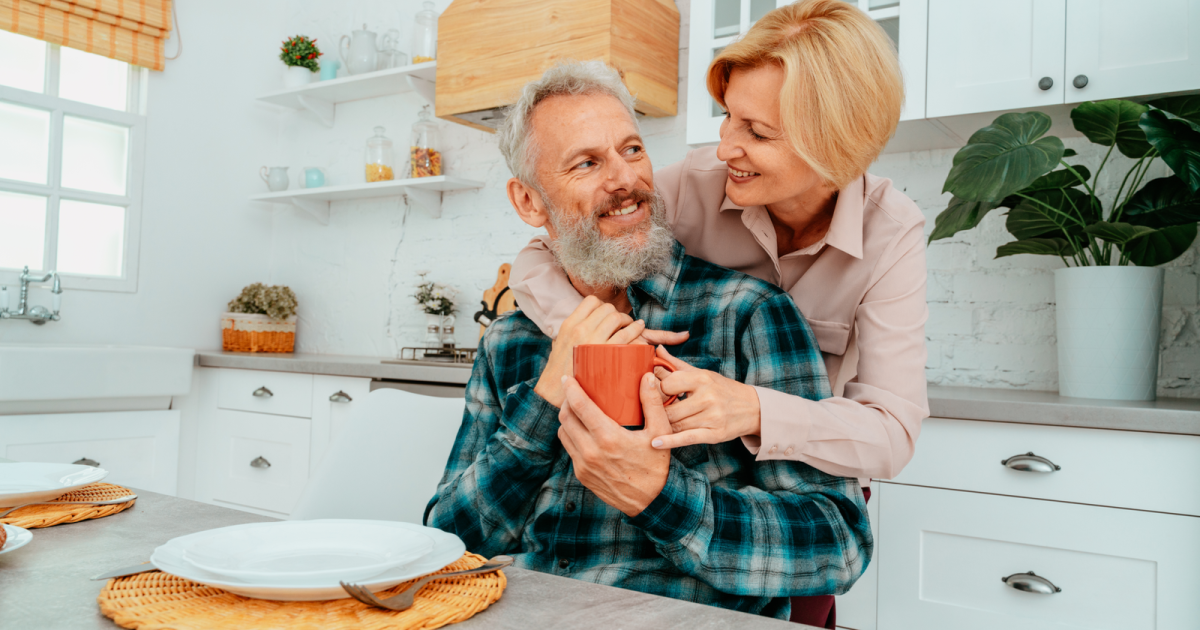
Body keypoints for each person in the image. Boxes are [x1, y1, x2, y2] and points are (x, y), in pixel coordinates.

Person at [508, 2, 928, 626]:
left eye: (756, 133)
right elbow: (545, 254)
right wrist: (599, 339)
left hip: (803, 479)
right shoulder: (694, 184)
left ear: (831, 146)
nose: (725, 145)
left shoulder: (891, 235)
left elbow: (891, 432)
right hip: (680, 475)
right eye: (728, 116)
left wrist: (751, 407)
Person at [425, 61, 871, 621]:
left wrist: (660, 497)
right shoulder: (510, 341)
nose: (625, 180)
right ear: (530, 203)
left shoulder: (747, 313)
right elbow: (444, 543)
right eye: (587, 163)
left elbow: (838, 543)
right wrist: (541, 407)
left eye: (632, 150)